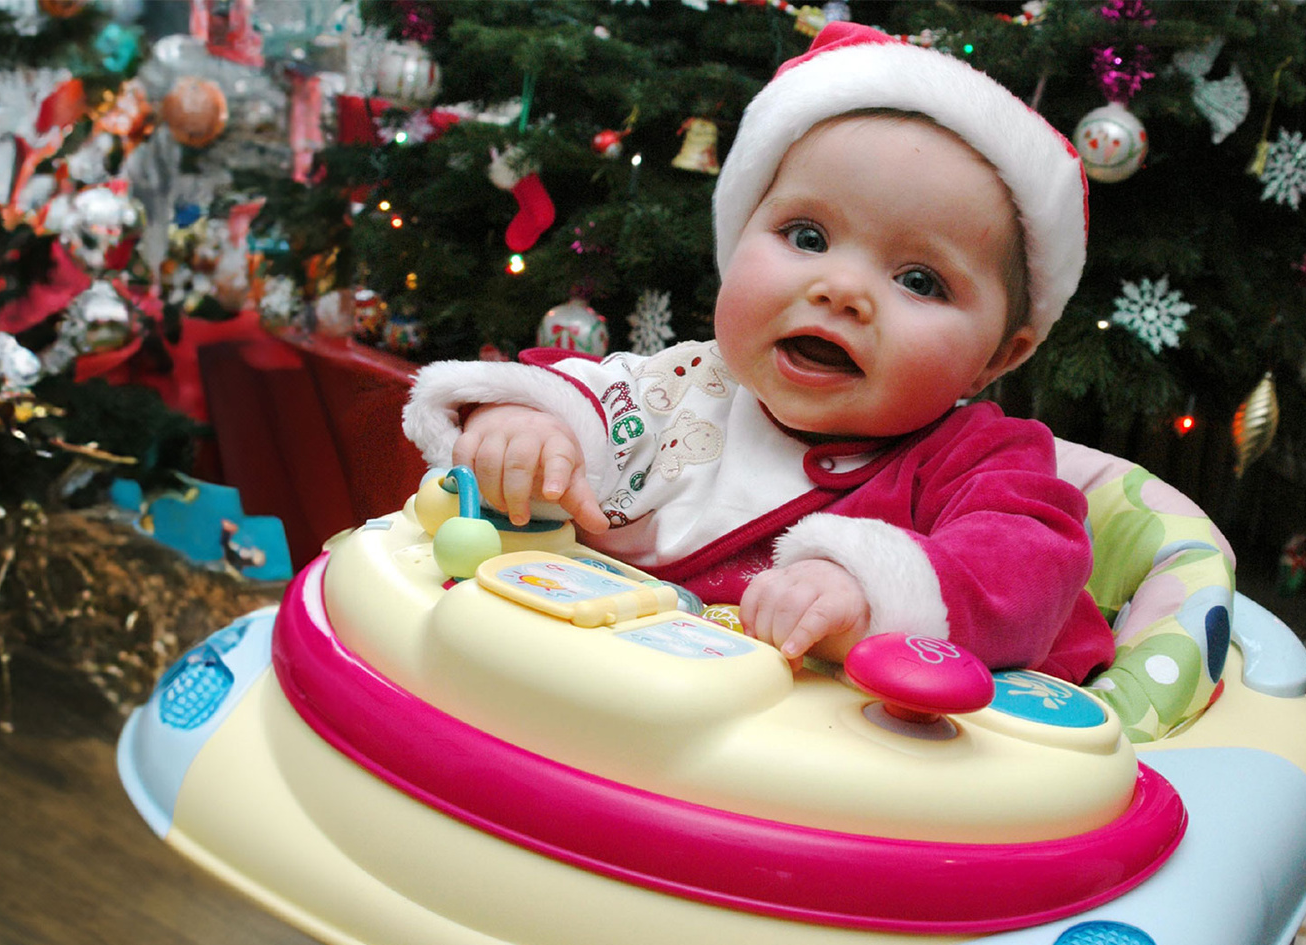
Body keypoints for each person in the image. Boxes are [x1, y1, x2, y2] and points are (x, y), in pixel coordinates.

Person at [403, 22, 1112, 683]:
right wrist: (523, 429)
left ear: (1000, 356)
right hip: (599, 692)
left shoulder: (979, 461)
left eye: (919, 280)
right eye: (806, 236)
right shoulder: (683, 384)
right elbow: (576, 394)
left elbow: (1028, 566)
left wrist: (871, 590)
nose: (840, 290)